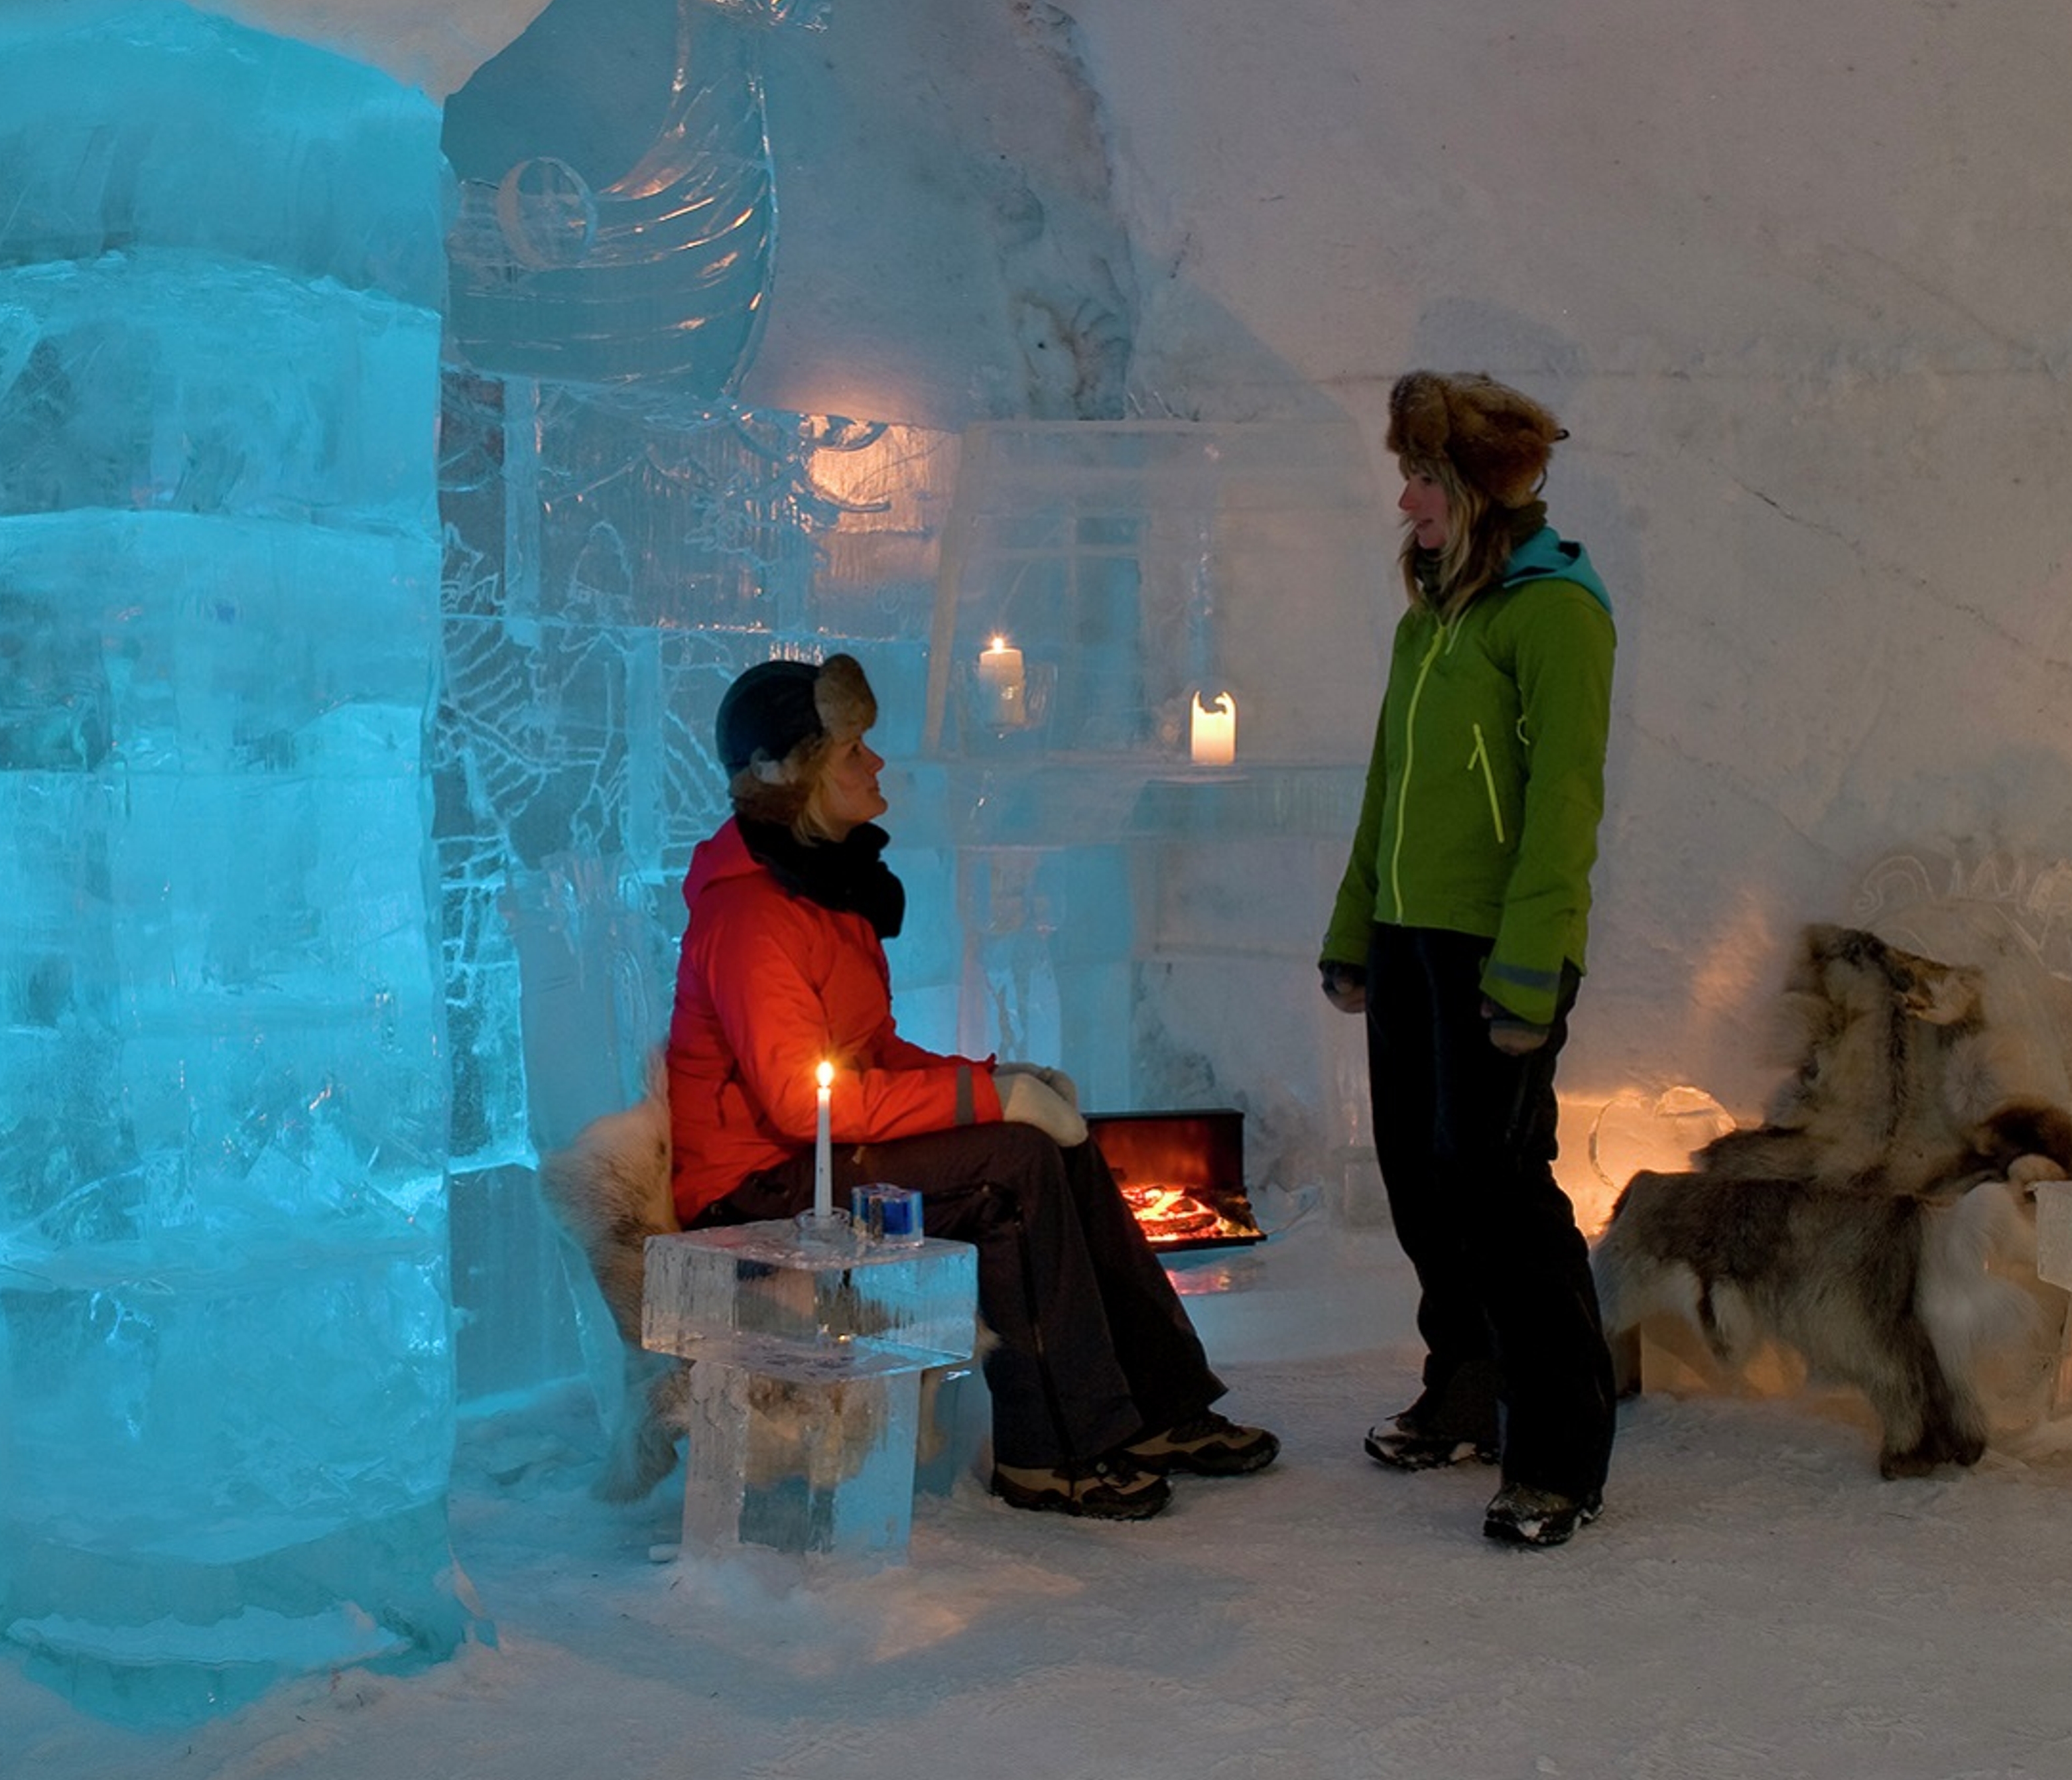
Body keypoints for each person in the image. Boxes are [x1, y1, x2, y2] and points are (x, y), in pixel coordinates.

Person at [667, 653, 1279, 1520]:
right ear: (794, 779)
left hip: (811, 1156)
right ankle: (1050, 1453)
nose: (875, 765)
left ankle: (1154, 1407)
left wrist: (1000, 1079)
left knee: (1055, 1142)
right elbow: (801, 1106)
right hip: (755, 1189)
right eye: (852, 755)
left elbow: (870, 1052)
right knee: (1012, 1165)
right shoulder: (751, 917)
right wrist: (990, 1107)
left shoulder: (825, 893)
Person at [1318, 369, 1618, 1548]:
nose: (1406, 503)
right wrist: (1356, 932)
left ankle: (1559, 1451)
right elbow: (1387, 787)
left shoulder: (1556, 612)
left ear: (1482, 492)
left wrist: (1532, 970)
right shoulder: (1429, 621)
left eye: (1425, 481)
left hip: (1501, 949)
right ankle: (1468, 1385)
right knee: (1420, 1176)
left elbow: (1565, 806)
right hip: (1408, 938)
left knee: (1501, 1193)